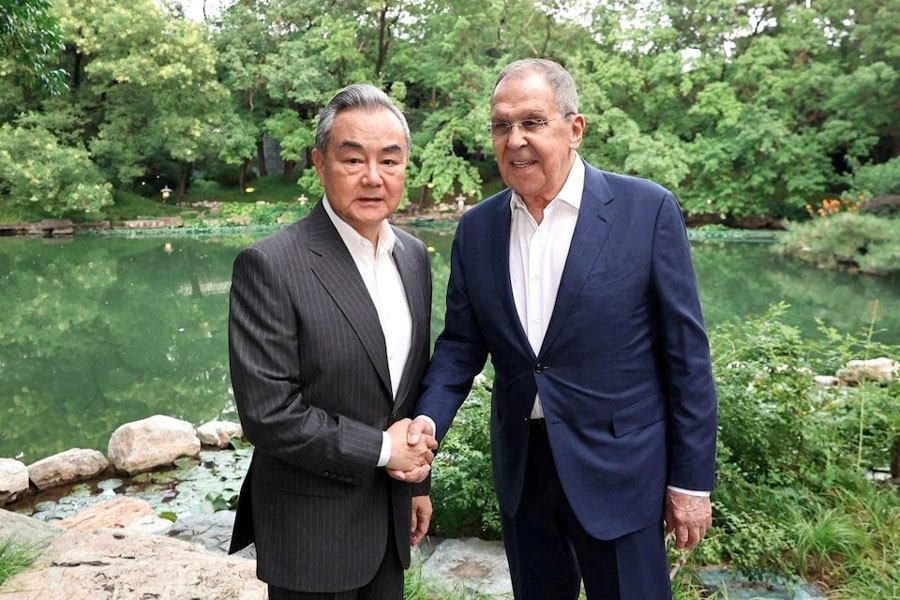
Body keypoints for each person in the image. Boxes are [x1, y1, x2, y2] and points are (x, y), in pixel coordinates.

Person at [395, 59, 718, 599]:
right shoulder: (477, 229)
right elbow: (460, 347)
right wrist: (426, 423)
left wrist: (690, 482)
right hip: (525, 473)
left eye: (533, 122)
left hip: (621, 471)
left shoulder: (646, 210)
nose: (515, 140)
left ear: (574, 129)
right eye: (501, 126)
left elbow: (687, 358)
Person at [227, 83, 438, 600]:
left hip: (387, 524)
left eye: (390, 160)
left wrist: (415, 481)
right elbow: (269, 414)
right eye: (353, 159)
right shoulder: (271, 265)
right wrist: (384, 450)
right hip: (311, 535)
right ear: (320, 165)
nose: (373, 177)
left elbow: (407, 389)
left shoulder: (413, 257)